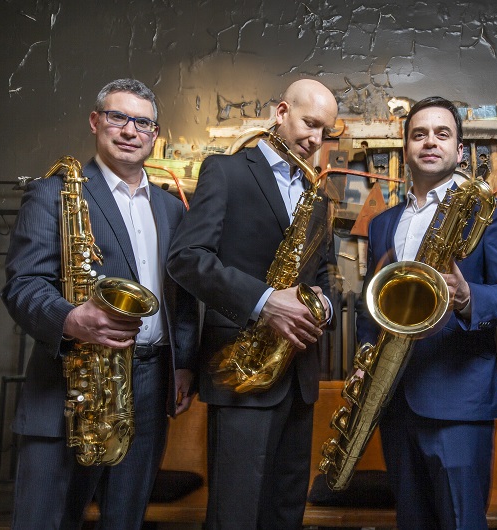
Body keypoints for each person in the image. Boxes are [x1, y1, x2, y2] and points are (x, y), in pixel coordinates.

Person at [1, 78, 200, 528]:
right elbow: (22, 285)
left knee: (125, 518)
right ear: (95, 121)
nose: (130, 130)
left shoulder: (172, 209)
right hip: (69, 382)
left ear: (155, 134)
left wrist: (184, 363)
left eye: (143, 123)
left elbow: (181, 295)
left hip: (150, 382)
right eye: (118, 117)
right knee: (46, 520)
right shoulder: (51, 192)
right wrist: (71, 319)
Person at [166, 78, 338, 530]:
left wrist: (324, 306)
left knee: (285, 514)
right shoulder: (224, 170)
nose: (316, 139)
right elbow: (186, 258)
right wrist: (265, 302)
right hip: (240, 372)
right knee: (235, 516)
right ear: (282, 112)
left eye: (325, 131)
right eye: (309, 123)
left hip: (298, 377)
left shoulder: (318, 195)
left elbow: (326, 278)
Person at [356, 96, 497, 530]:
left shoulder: (490, 213)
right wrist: (363, 358)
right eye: (419, 134)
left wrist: (469, 297)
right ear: (406, 149)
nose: (430, 142)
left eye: (442, 134)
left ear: (459, 150)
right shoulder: (382, 223)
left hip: (459, 406)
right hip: (393, 402)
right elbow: (370, 304)